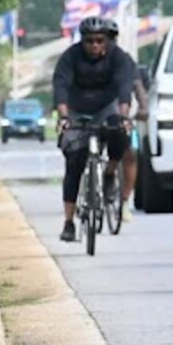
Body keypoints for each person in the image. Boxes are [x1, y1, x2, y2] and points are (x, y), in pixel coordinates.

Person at [52, 14, 136, 242]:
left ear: (107, 40)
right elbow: (60, 86)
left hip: (107, 108)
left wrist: (124, 116)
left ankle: (110, 172)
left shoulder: (120, 58)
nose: (94, 45)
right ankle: (69, 222)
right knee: (74, 162)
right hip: (77, 108)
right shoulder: (70, 57)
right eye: (89, 41)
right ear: (82, 40)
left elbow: (124, 88)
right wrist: (63, 117)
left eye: (99, 40)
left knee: (119, 132)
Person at [106, 20, 147, 221]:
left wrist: (144, 107)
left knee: (130, 152)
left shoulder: (125, 61)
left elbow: (138, 86)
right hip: (94, 113)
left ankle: (124, 201)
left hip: (121, 113)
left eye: (110, 38)